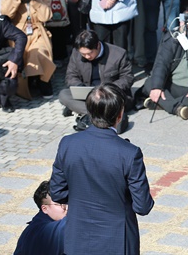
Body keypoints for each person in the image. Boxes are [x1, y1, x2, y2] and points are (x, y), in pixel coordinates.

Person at [50, 83, 154, 254]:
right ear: (120, 115)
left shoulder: (68, 144)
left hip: (78, 237)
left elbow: (57, 192)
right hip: (118, 240)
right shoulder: (129, 153)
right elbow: (143, 206)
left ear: (89, 112)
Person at [140, 8, 188, 120]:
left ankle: (163, 103)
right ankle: (178, 108)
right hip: (173, 85)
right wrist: (157, 87)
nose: (184, 24)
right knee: (150, 83)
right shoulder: (173, 37)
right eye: (182, 21)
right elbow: (161, 63)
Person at [1, 0, 55, 99]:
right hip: (18, 32)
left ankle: (44, 81)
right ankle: (30, 81)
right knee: (22, 54)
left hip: (38, 31)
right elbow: (6, 14)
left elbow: (46, 16)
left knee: (39, 52)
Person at [59, 29, 133, 118]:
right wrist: (80, 86)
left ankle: (85, 112)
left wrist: (108, 89)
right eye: (83, 54)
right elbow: (71, 75)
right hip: (89, 94)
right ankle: (98, 114)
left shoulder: (118, 54)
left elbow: (128, 77)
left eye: (90, 53)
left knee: (116, 103)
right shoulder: (76, 53)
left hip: (110, 95)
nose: (87, 57)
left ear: (97, 45)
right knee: (63, 94)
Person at [13, 181, 67, 255]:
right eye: (59, 204)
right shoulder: (41, 231)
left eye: (67, 201)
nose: (66, 207)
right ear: (45, 208)